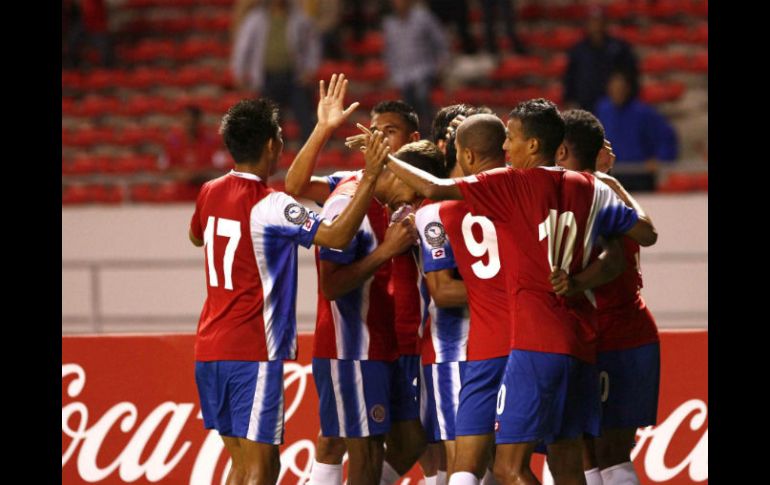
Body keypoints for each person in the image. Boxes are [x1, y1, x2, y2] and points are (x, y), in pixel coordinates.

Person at [383, 98, 658, 485]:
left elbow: (435, 186)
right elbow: (646, 233)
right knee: (569, 463)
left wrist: (383, 158)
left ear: (533, 145)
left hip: (534, 340)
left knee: (508, 467)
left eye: (511, 138)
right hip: (580, 340)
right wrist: (608, 186)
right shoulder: (590, 186)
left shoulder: (511, 182)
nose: (506, 148)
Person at [188, 97, 388, 484]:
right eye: (279, 136)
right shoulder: (271, 205)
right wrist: (371, 176)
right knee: (262, 469)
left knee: (243, 464)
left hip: (210, 347)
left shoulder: (209, 190)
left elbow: (196, 237)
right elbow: (336, 234)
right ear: (270, 146)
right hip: (252, 351)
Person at [311, 140, 446, 485]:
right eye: (416, 194)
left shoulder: (378, 201)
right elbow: (331, 285)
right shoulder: (348, 201)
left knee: (411, 440)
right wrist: (386, 251)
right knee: (365, 455)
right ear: (401, 176)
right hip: (353, 348)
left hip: (380, 345)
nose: (414, 204)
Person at [554, 109, 661, 485]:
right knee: (596, 455)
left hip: (606, 334)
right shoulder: (601, 188)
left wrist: (575, 283)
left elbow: (618, 255)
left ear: (562, 148)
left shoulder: (584, 189)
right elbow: (645, 233)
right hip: (619, 330)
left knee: (596, 454)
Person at [415, 114, 511, 484]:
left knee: (497, 463)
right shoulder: (434, 213)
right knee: (461, 463)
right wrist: (505, 292)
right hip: (452, 351)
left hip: (497, 345)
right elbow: (441, 290)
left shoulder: (501, 198)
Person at [231, 0, 320, 142]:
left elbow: (312, 45)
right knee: (270, 125)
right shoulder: (256, 19)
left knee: (306, 120)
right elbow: (243, 47)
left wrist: (310, 70)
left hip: (294, 78)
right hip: (268, 79)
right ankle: (274, 160)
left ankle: (307, 157)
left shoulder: (299, 18)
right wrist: (239, 72)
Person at [595, 70, 678, 192]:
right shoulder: (603, 110)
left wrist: (660, 158)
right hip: (613, 174)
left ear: (628, 89)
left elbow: (667, 137)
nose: (617, 91)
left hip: (640, 174)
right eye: (614, 88)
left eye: (621, 88)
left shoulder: (643, 112)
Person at [383, 0, 450, 136]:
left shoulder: (423, 18)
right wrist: (392, 73)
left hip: (425, 70)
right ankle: (417, 137)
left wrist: (441, 64)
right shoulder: (389, 24)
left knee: (421, 95)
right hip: (402, 76)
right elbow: (389, 52)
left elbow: (440, 41)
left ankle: (435, 133)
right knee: (406, 110)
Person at [563, 6, 639, 113]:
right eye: (593, 21)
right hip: (585, 106)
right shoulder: (578, 51)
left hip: (613, 107)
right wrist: (569, 100)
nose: (596, 25)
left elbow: (629, 76)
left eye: (599, 21)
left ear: (606, 23)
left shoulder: (619, 48)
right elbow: (570, 79)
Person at [159, 105, 230, 188]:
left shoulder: (213, 143)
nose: (189, 126)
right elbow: (164, 171)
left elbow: (220, 171)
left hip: (205, 192)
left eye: (192, 122)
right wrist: (180, 174)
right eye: (186, 122)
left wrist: (197, 175)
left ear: (198, 121)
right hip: (179, 194)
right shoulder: (171, 142)